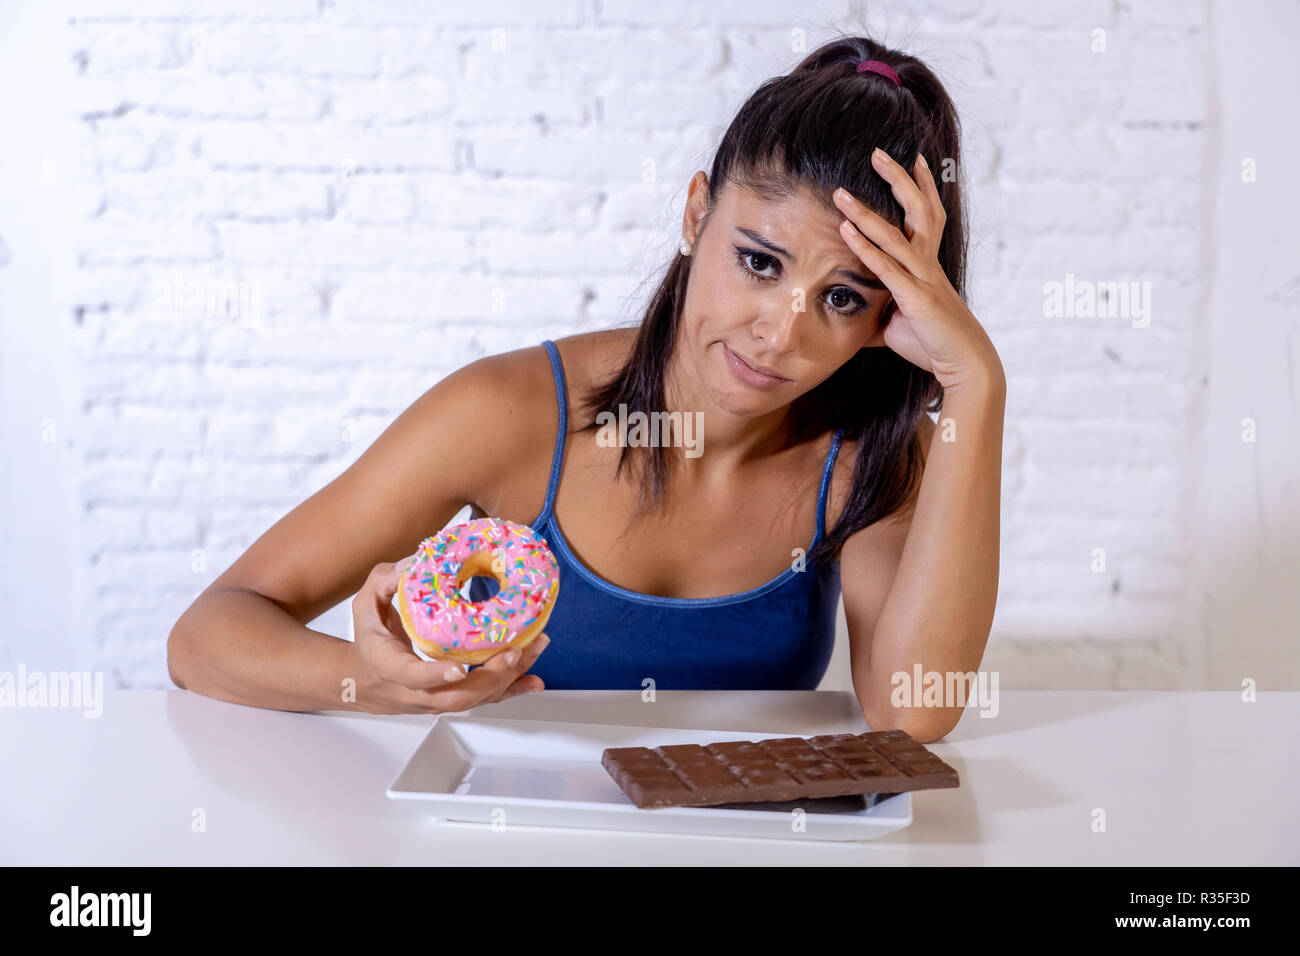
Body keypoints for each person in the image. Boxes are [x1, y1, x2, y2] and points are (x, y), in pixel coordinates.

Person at [167, 34, 1005, 742]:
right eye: (759, 262)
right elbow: (208, 634)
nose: (780, 333)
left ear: (890, 314)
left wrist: (976, 384)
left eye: (843, 298)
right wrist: (361, 678)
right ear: (695, 215)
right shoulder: (508, 414)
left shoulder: (869, 456)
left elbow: (913, 711)